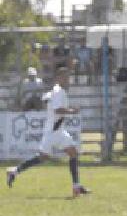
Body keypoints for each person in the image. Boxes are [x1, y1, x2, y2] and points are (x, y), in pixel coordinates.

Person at [6, 67, 90, 198]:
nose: (68, 80)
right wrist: (72, 111)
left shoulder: (57, 91)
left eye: (68, 77)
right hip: (53, 132)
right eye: (65, 77)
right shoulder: (58, 91)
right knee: (43, 157)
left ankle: (76, 187)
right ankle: (14, 171)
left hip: (58, 130)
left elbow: (46, 99)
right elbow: (57, 110)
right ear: (58, 78)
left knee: (72, 153)